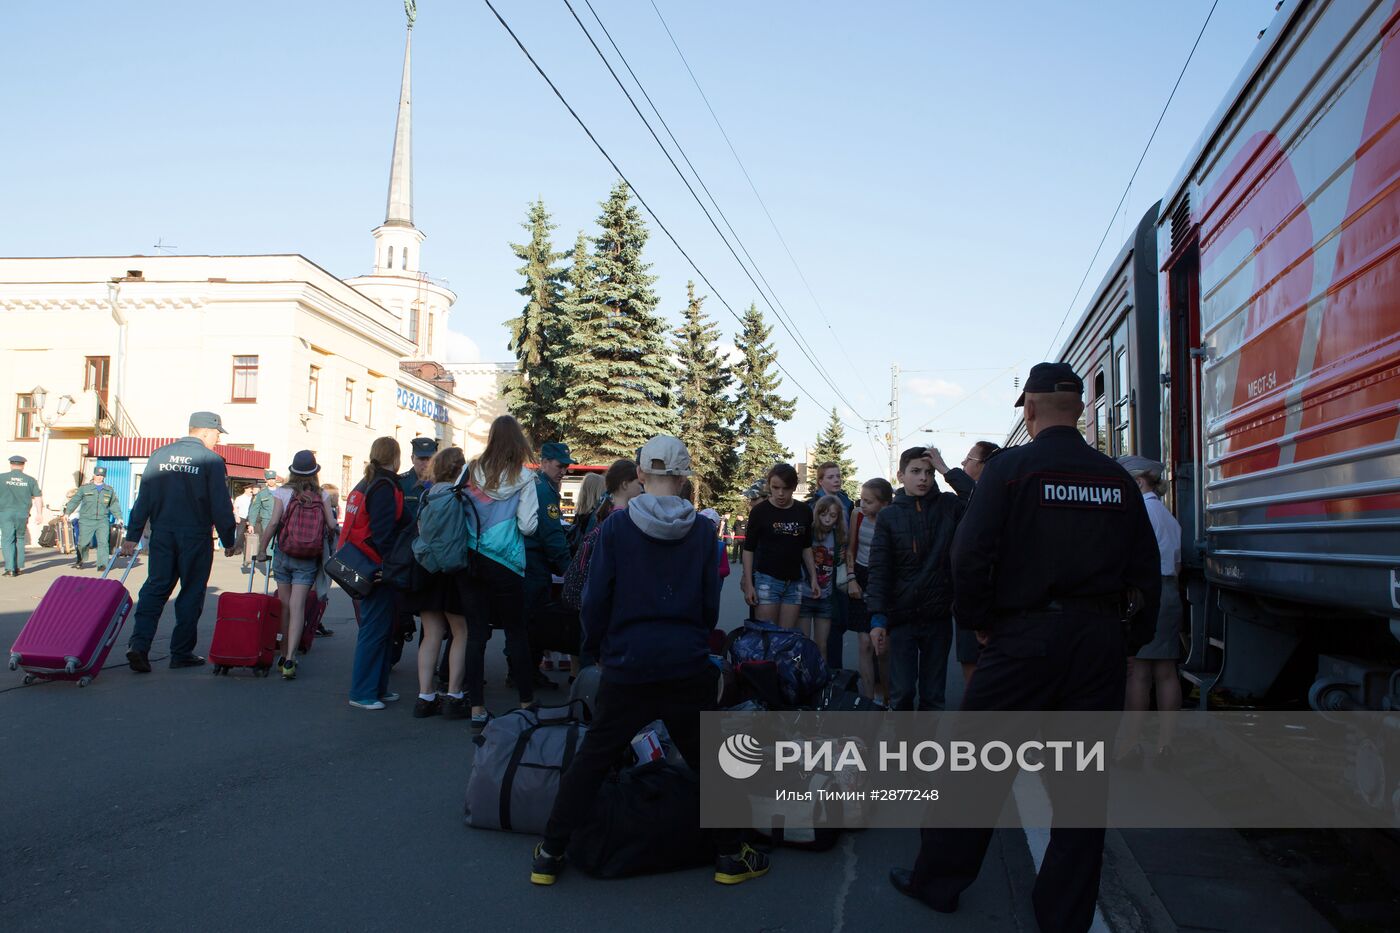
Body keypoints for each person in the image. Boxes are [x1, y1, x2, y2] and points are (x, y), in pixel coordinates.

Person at [889, 362, 1161, 933]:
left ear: (1030, 409)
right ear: (1081, 411)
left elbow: (971, 555)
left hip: (1023, 637)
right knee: (1082, 787)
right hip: (1096, 642)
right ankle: (1063, 917)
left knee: (972, 768)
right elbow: (1146, 571)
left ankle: (937, 883)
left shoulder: (1011, 470)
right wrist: (1124, 640)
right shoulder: (1115, 479)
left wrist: (984, 624)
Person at [530, 435, 769, 888]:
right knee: (708, 763)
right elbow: (707, 605)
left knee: (594, 759)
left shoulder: (617, 528)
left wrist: (599, 647)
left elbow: (596, 598)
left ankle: (550, 853)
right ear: (683, 479)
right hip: (684, 662)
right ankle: (730, 856)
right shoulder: (702, 531)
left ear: (639, 474)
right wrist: (696, 641)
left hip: (628, 662)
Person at [122, 412, 240, 672]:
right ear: (205, 432)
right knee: (192, 592)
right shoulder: (211, 460)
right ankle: (181, 652)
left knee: (155, 588)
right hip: (195, 535)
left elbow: (145, 498)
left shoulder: (159, 455)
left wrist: (133, 535)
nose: (218, 439)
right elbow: (220, 504)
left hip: (163, 534)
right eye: (218, 433)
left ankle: (138, 645)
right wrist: (229, 538)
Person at [866, 447, 968, 711]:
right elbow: (879, 568)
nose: (923, 478)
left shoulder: (948, 506)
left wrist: (947, 471)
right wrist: (878, 618)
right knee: (902, 693)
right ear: (900, 475)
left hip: (938, 617)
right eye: (915, 471)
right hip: (902, 618)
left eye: (929, 472)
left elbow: (980, 499)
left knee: (933, 696)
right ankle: (903, 751)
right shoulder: (889, 515)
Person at [457, 415, 541, 732]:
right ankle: (525, 702)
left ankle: (477, 707)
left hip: (471, 561)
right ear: (518, 442)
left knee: (476, 634)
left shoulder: (473, 470)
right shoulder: (524, 477)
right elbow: (528, 526)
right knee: (516, 632)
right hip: (506, 563)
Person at [1117, 454, 1183, 766]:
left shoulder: (1140, 511)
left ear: (1139, 482)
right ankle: (1167, 746)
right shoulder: (1168, 516)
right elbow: (1178, 563)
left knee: (1138, 673)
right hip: (1170, 590)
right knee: (1167, 672)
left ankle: (1130, 745)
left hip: (1147, 592)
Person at [255, 451, 337, 679]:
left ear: (293, 470)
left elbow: (272, 524)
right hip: (309, 556)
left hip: (284, 552)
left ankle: (281, 654)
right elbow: (331, 525)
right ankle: (291, 658)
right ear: (315, 472)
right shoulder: (322, 495)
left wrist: (262, 550)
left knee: (283, 605)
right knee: (298, 606)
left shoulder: (282, 492)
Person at [347, 436, 409, 710]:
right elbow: (383, 533)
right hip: (375, 567)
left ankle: (377, 688)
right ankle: (362, 692)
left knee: (381, 629)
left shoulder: (368, 482)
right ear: (395, 458)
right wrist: (392, 565)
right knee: (375, 630)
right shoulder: (384, 486)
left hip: (362, 562)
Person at [412, 446, 471, 719]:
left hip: (426, 568)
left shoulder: (427, 494)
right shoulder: (461, 496)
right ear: (460, 469)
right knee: (461, 632)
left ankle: (425, 696)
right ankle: (454, 695)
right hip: (453, 570)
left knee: (431, 632)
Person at [741, 464, 818, 630]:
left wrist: (813, 577)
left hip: (795, 582)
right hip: (767, 580)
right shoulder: (760, 511)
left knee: (786, 637)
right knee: (767, 636)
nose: (780, 493)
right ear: (769, 485)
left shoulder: (804, 511)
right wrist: (748, 583)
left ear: (794, 487)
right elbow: (748, 549)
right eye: (775, 488)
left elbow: (806, 547)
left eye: (786, 488)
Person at [523, 441, 573, 688]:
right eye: (559, 465)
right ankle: (528, 674)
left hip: (528, 562)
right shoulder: (545, 490)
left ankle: (522, 671)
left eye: (566, 466)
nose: (563, 470)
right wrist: (569, 570)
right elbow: (552, 535)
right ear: (544, 463)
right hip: (535, 564)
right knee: (534, 621)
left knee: (526, 621)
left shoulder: (538, 484)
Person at [951, 441, 1001, 686]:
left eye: (967, 459)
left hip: (984, 597)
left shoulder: (992, 495)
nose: (962, 463)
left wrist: (945, 470)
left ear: (983, 464)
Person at [844, 477, 894, 701]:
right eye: (862, 499)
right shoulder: (857, 515)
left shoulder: (892, 519)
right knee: (864, 643)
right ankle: (867, 698)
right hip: (861, 576)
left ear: (884, 504)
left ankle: (886, 697)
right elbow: (850, 549)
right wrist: (852, 577)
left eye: (869, 501)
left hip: (884, 579)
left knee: (881, 647)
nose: (863, 504)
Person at [806, 462, 853, 667]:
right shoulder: (812, 505)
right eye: (831, 477)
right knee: (820, 628)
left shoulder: (846, 503)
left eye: (838, 476)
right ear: (820, 481)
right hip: (817, 573)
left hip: (839, 569)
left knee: (838, 622)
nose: (836, 480)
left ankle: (834, 673)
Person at [800, 495, 847, 656]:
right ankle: (804, 680)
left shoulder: (838, 536)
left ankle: (821, 679)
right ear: (817, 514)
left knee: (822, 646)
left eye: (832, 516)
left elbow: (839, 563)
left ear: (838, 517)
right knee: (804, 643)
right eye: (823, 514)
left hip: (825, 597)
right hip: (805, 594)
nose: (827, 519)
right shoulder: (809, 533)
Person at [65, 466, 123, 570]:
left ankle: (102, 564)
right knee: (83, 543)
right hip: (86, 520)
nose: (99, 477)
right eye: (98, 475)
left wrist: (119, 517)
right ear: (94, 475)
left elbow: (114, 504)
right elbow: (75, 500)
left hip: (102, 520)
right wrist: (67, 513)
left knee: (103, 542)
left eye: (102, 475)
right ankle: (80, 560)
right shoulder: (85, 488)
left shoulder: (109, 490)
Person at [1, 455, 42, 577]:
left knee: (7, 539)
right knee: (19, 538)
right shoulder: (30, 480)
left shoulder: (1, 478)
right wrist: (39, 513)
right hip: (22, 513)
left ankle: (10, 568)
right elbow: (38, 497)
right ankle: (18, 567)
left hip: (5, 512)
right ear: (23, 465)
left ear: (11, 464)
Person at [246, 471, 277, 573]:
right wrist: (251, 524)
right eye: (269, 479)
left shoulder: (282, 492)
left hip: (282, 521)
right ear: (266, 480)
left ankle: (279, 566)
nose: (271, 481)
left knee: (281, 543)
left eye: (273, 478)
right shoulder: (261, 494)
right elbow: (254, 509)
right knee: (269, 543)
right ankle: (270, 567)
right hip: (267, 521)